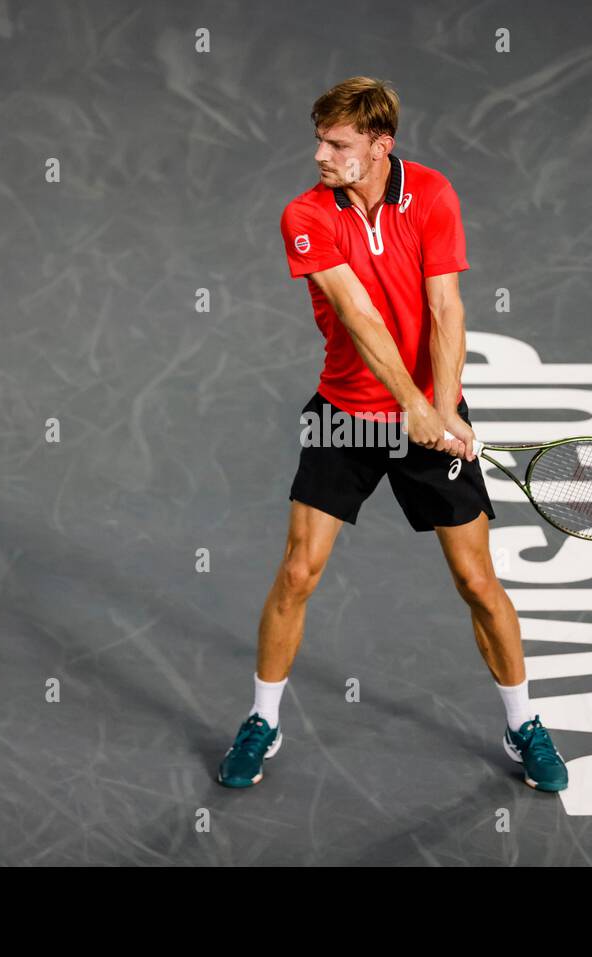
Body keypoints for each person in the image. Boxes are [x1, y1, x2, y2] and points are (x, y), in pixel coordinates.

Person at [218, 77, 567, 793]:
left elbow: (447, 307)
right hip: (345, 414)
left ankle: (524, 722)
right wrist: (413, 404)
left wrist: (443, 406)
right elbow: (357, 316)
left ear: (381, 146)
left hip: (428, 413)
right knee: (297, 572)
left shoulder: (433, 195)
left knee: (477, 579)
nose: (320, 154)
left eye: (337, 143)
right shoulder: (305, 215)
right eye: (318, 139)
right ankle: (262, 718)